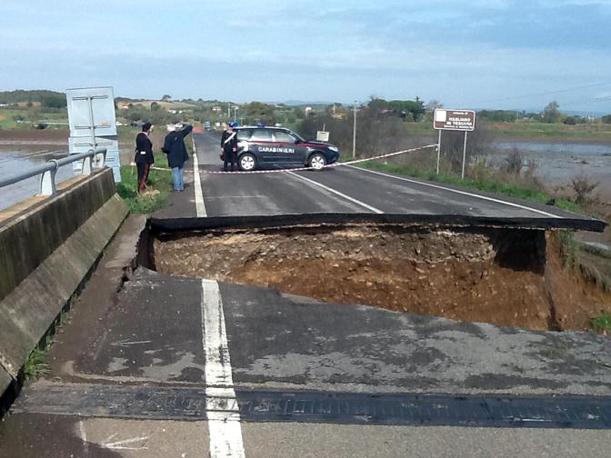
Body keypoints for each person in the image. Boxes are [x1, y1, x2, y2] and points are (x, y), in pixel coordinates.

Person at [162, 123, 193, 192]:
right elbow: (188, 128)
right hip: (181, 156)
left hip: (173, 157)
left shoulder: (168, 137)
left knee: (175, 172)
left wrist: (163, 150)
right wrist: (184, 124)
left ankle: (177, 187)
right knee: (180, 171)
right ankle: (181, 187)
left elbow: (167, 148)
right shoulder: (180, 134)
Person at [134, 122, 154, 193]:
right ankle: (142, 191)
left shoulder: (139, 136)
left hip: (138, 158)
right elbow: (148, 151)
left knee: (140, 175)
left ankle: (139, 189)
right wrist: (151, 161)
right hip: (145, 159)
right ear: (148, 129)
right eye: (151, 129)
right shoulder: (145, 139)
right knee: (144, 175)